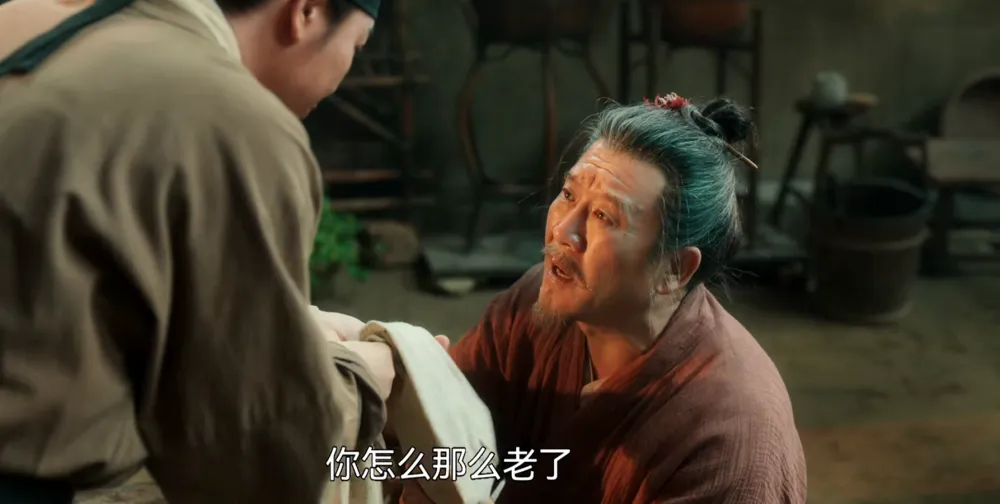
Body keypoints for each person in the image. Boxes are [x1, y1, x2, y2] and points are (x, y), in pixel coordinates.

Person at [0, 0, 405, 502]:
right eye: (356, 46)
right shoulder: (229, 118)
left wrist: (292, 323)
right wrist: (358, 377)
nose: (344, 75)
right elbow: (251, 450)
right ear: (306, 12)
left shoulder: (36, 21)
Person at [404, 94, 807, 503]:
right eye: (568, 195)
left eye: (603, 216)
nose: (563, 232)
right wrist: (400, 386)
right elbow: (440, 445)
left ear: (674, 269)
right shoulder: (531, 306)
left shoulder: (727, 441)